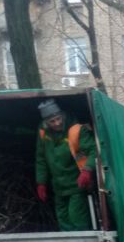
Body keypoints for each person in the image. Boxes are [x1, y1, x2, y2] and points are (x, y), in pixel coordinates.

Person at [35, 99, 96, 231]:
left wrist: (87, 170)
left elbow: (93, 151)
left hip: (77, 183)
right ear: (46, 123)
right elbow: (41, 159)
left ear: (62, 115)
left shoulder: (76, 130)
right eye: (52, 121)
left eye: (58, 118)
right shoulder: (43, 133)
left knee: (77, 217)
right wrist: (41, 183)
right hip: (58, 186)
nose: (57, 123)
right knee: (63, 219)